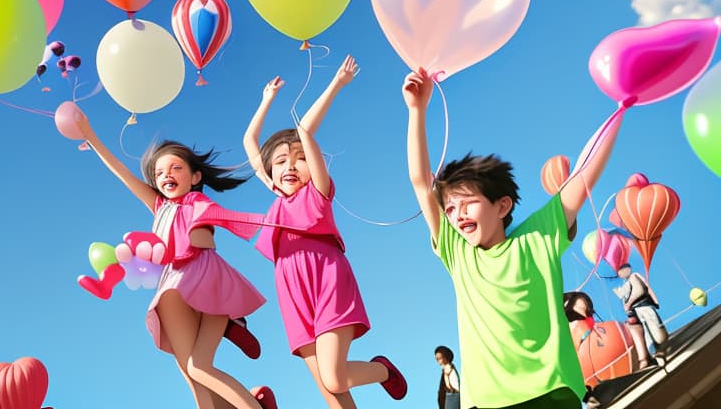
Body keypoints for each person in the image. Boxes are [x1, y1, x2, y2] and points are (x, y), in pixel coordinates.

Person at [403, 68, 625, 408]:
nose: (457, 214)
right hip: (486, 401)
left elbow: (583, 175)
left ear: (502, 205)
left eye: (469, 203)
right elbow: (421, 181)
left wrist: (623, 105)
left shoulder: (537, 236)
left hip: (551, 392)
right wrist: (417, 111)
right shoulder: (458, 253)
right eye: (450, 209)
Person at [75, 112, 277, 409]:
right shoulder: (158, 206)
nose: (166, 175)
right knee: (192, 375)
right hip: (173, 281)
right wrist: (91, 137)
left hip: (208, 277)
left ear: (195, 177)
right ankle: (254, 399)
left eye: (176, 168)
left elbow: (236, 222)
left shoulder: (199, 203)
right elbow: (124, 175)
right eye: (159, 173)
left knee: (199, 367)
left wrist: (282, 225)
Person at [243, 54, 407, 409]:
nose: (289, 166)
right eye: (281, 161)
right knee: (330, 391)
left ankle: (381, 370)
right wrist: (266, 101)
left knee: (335, 376)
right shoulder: (276, 195)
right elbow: (249, 142)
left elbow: (304, 129)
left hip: (326, 278)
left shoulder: (317, 192)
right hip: (291, 290)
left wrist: (336, 83)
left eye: (298, 158)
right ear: (270, 173)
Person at [615, 263, 667, 369]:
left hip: (643, 306)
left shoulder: (633, 276)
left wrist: (629, 303)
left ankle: (660, 350)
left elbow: (640, 290)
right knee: (647, 334)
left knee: (654, 329)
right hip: (637, 312)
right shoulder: (624, 285)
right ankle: (654, 354)